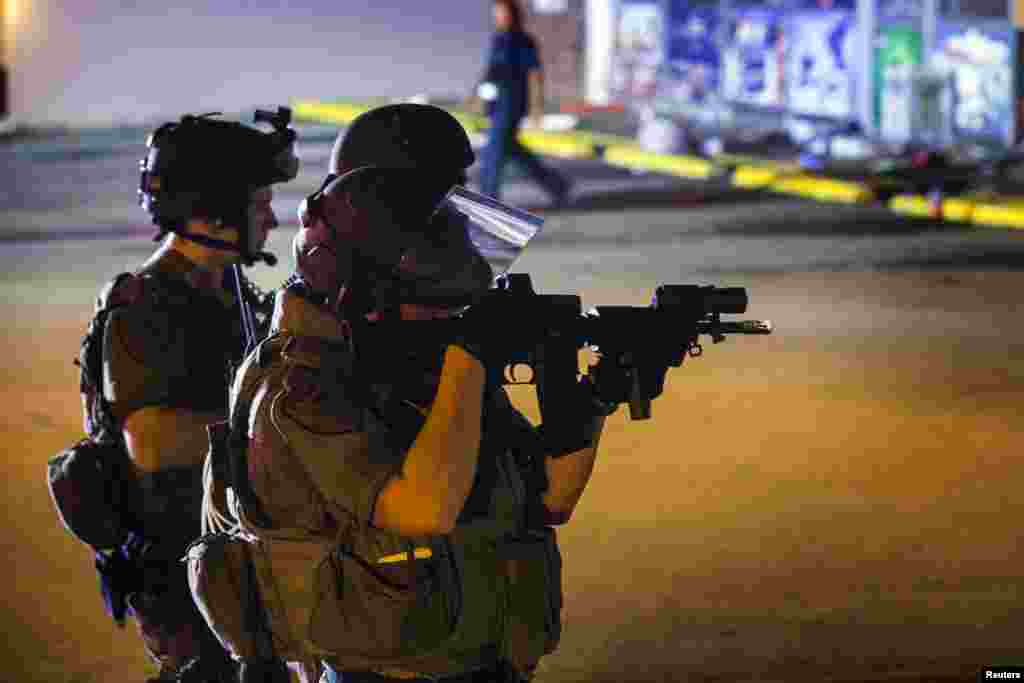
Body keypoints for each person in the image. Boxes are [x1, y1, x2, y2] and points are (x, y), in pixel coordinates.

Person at [187, 103, 619, 683]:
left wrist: (593, 397)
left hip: (482, 656)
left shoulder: (421, 352)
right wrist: (470, 356)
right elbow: (421, 508)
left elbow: (546, 501)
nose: (447, 313)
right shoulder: (302, 383)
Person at [48, 109, 298, 682]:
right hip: (182, 570)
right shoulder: (146, 304)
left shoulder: (230, 291)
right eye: (259, 204)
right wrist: (278, 426)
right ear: (215, 211)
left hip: (234, 555)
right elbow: (153, 443)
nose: (271, 218)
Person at [476, 0, 572, 205]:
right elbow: (491, 72)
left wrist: (537, 107)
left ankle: (488, 197)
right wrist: (479, 99)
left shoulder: (524, 41)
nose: (498, 17)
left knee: (494, 151)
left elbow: (535, 75)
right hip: (496, 103)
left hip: (513, 103)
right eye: (496, 14)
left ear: (513, 15)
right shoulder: (498, 39)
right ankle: (556, 185)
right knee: (511, 149)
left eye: (502, 13)